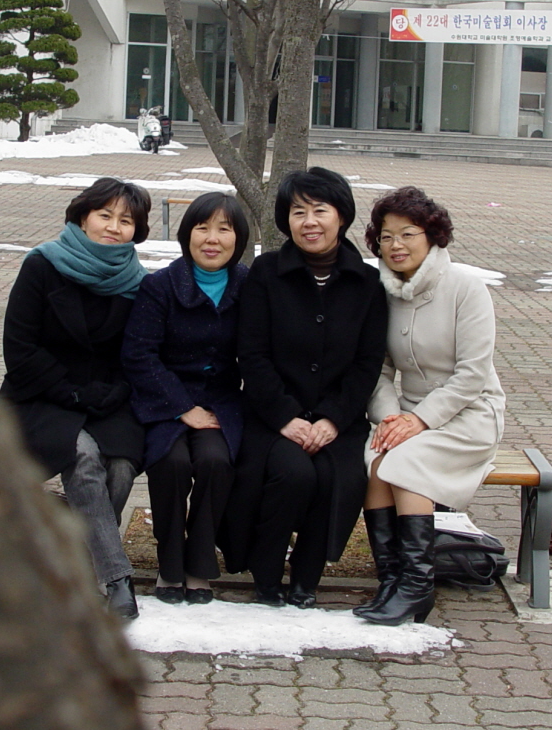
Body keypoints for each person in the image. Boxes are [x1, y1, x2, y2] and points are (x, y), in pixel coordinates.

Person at [221, 167, 388, 607]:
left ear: (341, 216)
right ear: (286, 220)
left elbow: (367, 363)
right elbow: (251, 355)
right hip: (272, 416)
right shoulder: (266, 272)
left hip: (338, 419)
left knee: (334, 476)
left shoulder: (368, 283)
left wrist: (333, 419)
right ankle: (266, 574)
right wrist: (286, 417)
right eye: (298, 212)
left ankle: (306, 579)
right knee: (293, 474)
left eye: (320, 210)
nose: (309, 222)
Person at [0, 177, 152, 621]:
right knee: (83, 457)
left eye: (126, 221)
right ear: (83, 218)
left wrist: (114, 392)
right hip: (41, 395)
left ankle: (80, 560)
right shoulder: (42, 265)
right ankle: (117, 580)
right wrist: (71, 391)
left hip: (106, 399)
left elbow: (137, 353)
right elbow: (19, 349)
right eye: (105, 215)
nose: (114, 227)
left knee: (120, 465)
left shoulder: (138, 282)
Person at [355, 186, 506, 625]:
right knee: (377, 460)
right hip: (406, 413)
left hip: (469, 414)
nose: (396, 245)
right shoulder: (383, 292)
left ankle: (418, 588)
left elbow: (473, 374)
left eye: (408, 234)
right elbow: (378, 370)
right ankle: (392, 580)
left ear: (432, 236)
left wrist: (419, 420)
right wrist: (391, 417)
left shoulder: (465, 288)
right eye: (386, 236)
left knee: (407, 463)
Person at [121, 193, 250, 606]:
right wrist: (182, 408)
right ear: (186, 235)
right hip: (165, 401)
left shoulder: (248, 286)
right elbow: (139, 354)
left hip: (221, 402)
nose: (212, 239)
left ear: (238, 238)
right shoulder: (160, 285)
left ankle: (198, 564)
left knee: (215, 462)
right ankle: (170, 563)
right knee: (172, 464)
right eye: (202, 228)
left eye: (224, 229)